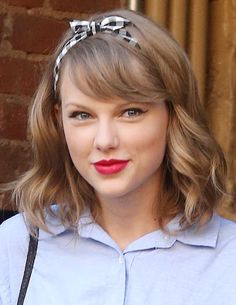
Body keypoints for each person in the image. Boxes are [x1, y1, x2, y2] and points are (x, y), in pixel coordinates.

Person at [0, 8, 235, 305]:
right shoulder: (17, 245)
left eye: (130, 112)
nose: (105, 141)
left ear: (173, 115)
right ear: (59, 120)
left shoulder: (229, 259)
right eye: (82, 115)